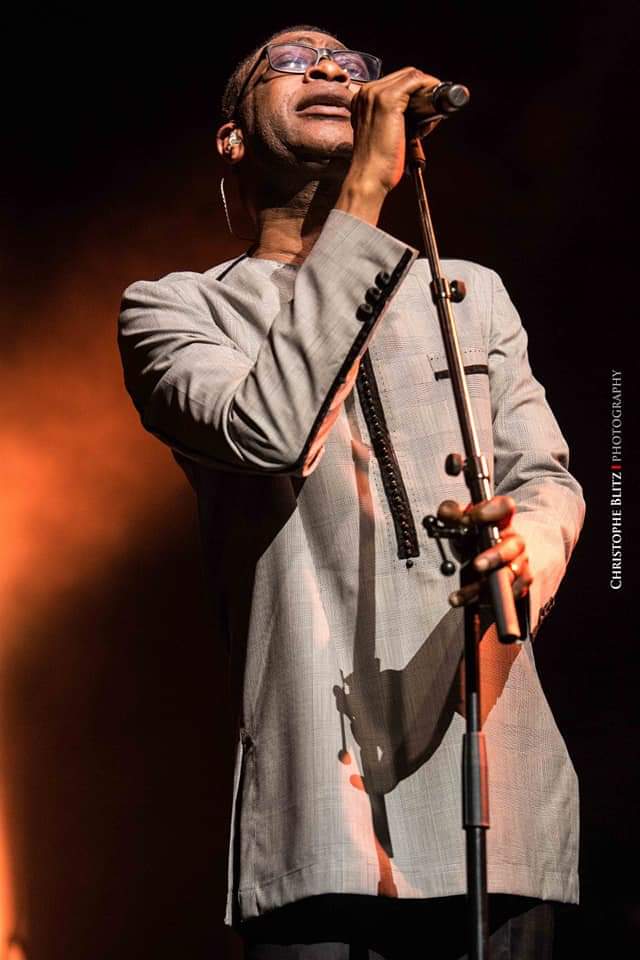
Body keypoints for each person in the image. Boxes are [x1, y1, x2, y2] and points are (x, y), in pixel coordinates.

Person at [117, 24, 585, 959]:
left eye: (352, 66)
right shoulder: (174, 309)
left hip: (494, 782)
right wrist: (364, 195)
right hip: (318, 813)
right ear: (232, 138)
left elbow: (549, 476)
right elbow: (269, 431)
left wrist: (528, 545)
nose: (333, 70)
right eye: (291, 63)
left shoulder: (471, 293)